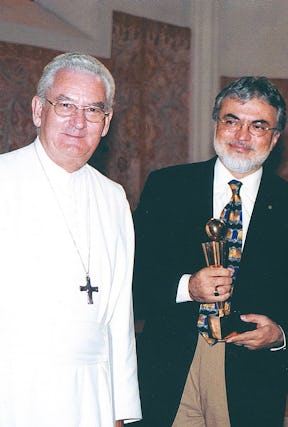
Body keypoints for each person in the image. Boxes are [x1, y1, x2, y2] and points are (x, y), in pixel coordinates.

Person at [133, 76, 288, 426]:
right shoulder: (167, 187)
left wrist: (281, 335)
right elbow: (133, 279)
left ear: (276, 137)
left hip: (250, 375)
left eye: (258, 125)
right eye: (231, 120)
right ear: (216, 124)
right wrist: (187, 287)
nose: (242, 136)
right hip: (171, 367)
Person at [0, 52, 141, 426]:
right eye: (65, 105)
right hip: (15, 390)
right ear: (37, 110)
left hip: (93, 396)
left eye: (93, 110)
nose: (79, 122)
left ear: (106, 122)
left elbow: (119, 314)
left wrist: (120, 410)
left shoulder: (113, 197)